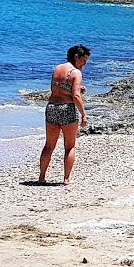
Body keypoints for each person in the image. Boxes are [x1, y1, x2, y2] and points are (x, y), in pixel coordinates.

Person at [38, 45, 90, 184]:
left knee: (49, 146)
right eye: (83, 60)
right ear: (76, 57)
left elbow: (57, 88)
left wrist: (77, 88)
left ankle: (42, 177)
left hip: (52, 107)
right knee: (70, 146)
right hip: (67, 109)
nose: (84, 64)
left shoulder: (57, 68)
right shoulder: (76, 73)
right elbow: (76, 96)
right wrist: (83, 114)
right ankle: (66, 179)